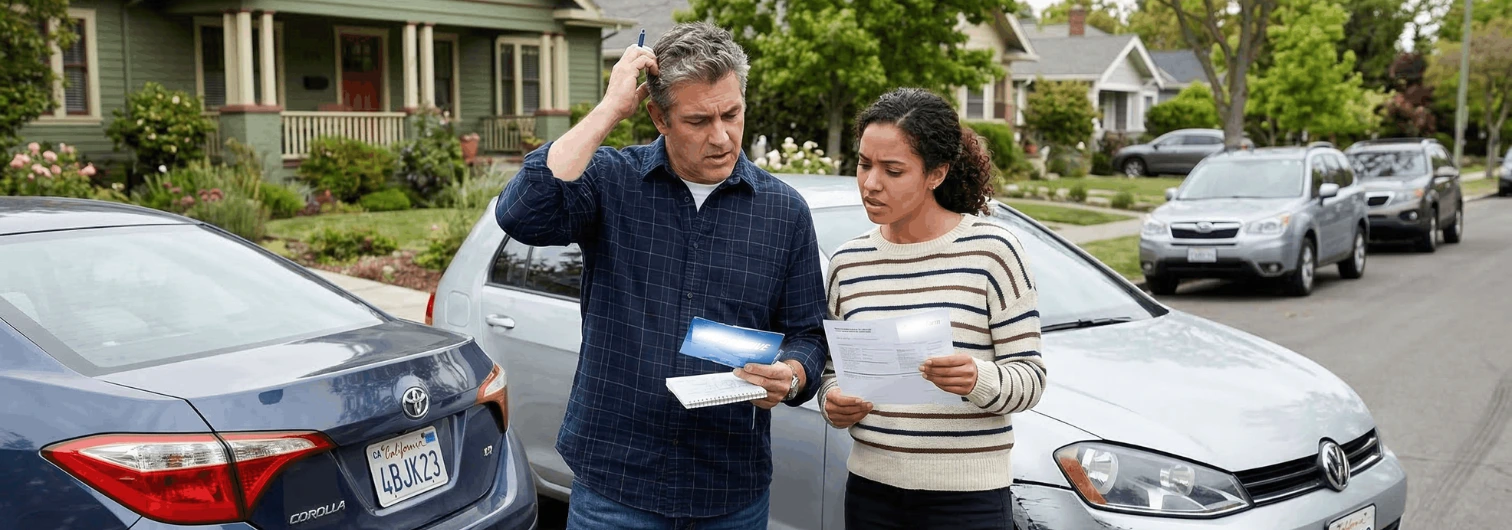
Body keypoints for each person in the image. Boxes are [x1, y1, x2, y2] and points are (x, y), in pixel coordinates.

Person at [494, 22, 827, 530]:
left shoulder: (784, 212)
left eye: (732, 114)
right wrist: (608, 110)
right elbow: (521, 213)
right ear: (658, 116)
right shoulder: (610, 182)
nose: (721, 137)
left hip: (728, 489)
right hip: (615, 487)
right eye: (698, 120)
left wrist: (793, 374)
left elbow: (808, 335)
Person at [818, 88, 1047, 530]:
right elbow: (833, 371)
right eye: (864, 164)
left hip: (967, 501)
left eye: (893, 170)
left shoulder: (993, 251)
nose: (870, 182)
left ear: (936, 174)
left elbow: (1031, 380)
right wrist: (834, 401)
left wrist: (977, 378)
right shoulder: (848, 263)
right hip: (871, 493)